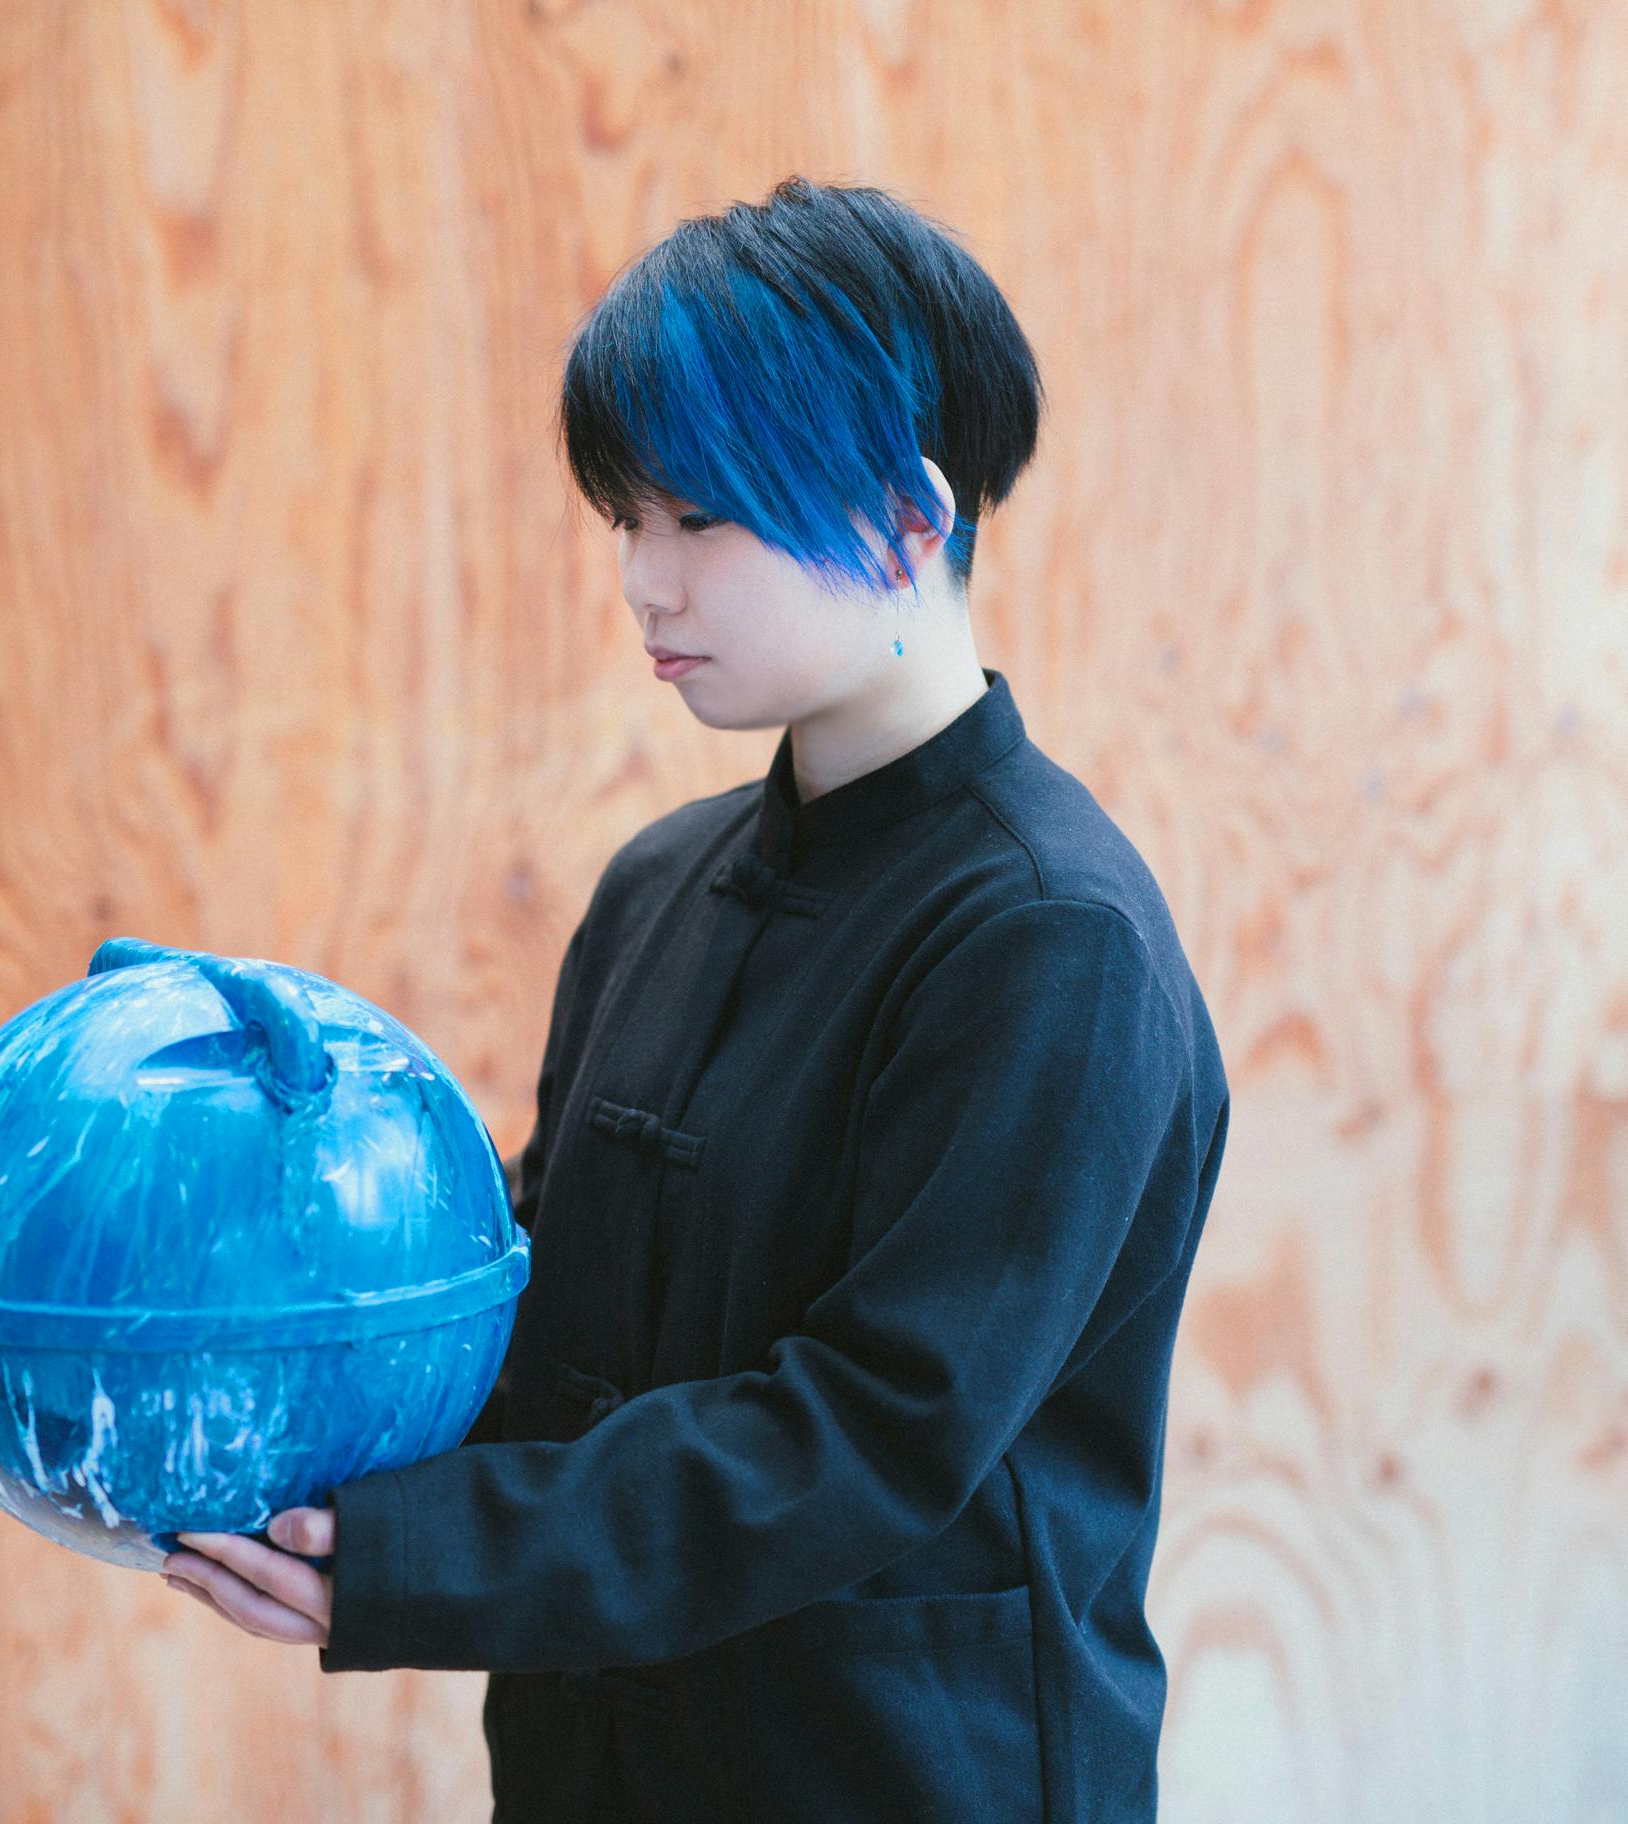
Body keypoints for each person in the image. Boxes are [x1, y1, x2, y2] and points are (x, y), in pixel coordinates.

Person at [163, 175, 1231, 1823]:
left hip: (903, 1779)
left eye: (700, 520)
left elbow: (870, 1433)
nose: (644, 585)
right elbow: (537, 1305)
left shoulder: (1048, 939)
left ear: (907, 518)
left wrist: (418, 1559)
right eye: (628, 520)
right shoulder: (662, 882)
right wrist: (261, 1425)